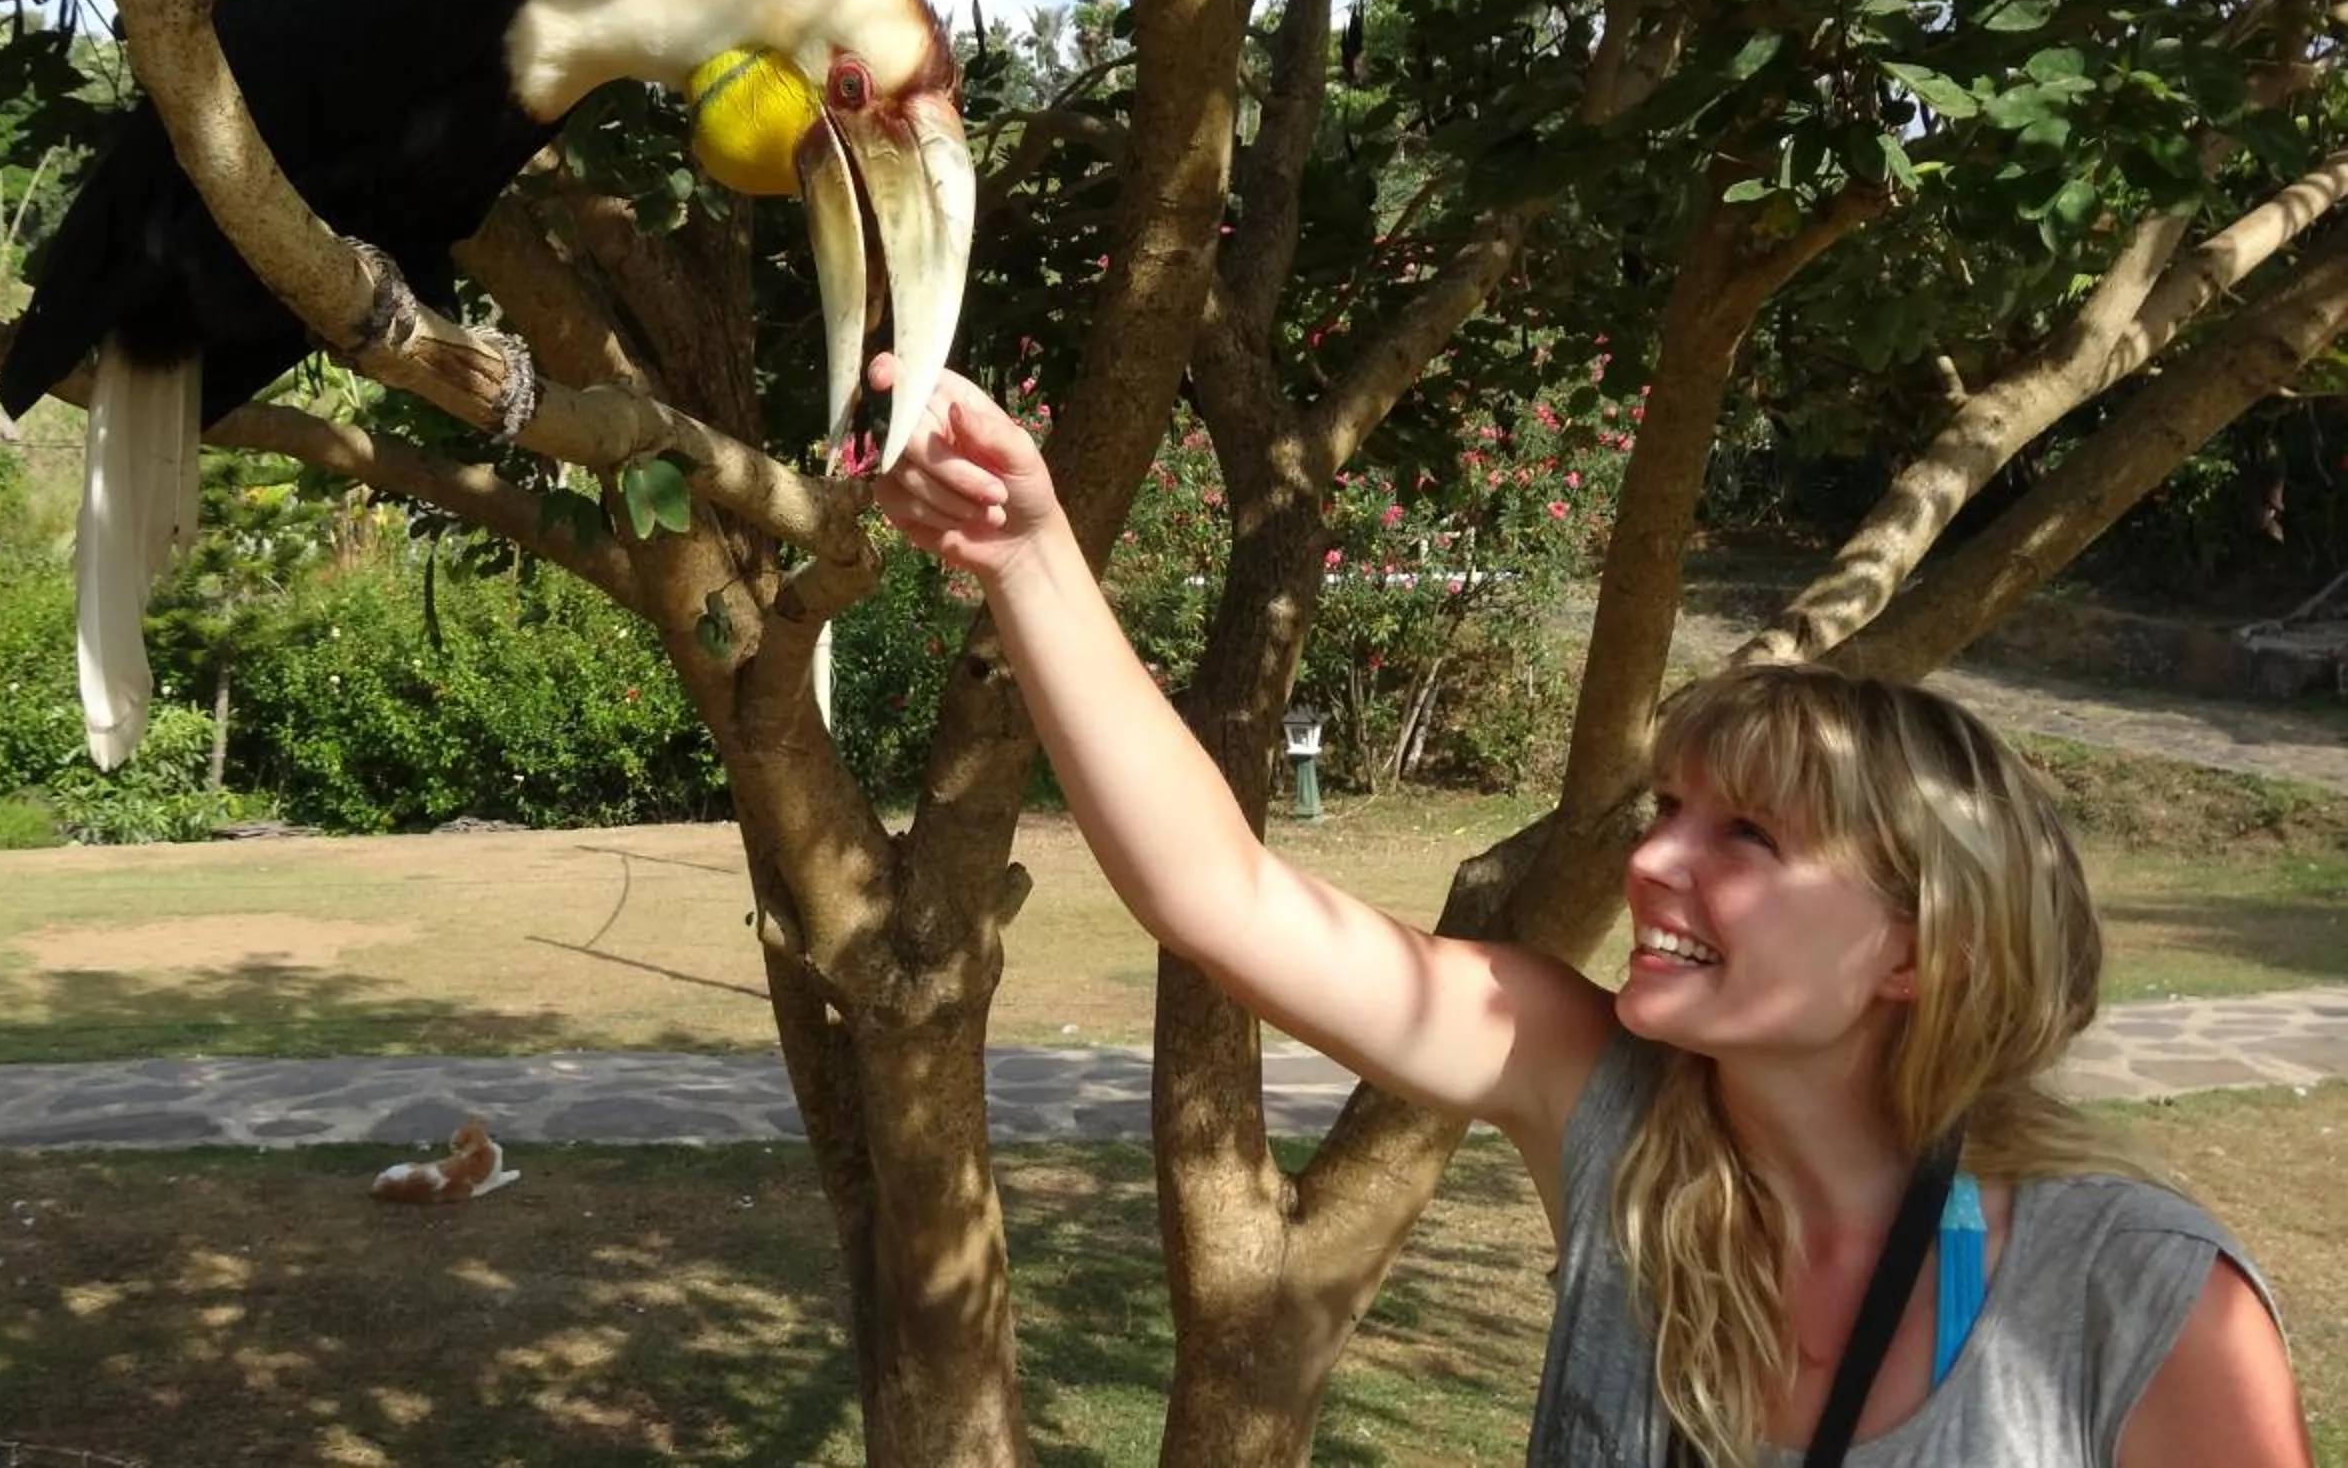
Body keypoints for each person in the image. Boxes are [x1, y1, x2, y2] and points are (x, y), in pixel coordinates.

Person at [866, 359, 2309, 1467]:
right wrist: (1030, 555)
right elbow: (1221, 896)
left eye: (1746, 835)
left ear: (1926, 948)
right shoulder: (1606, 1100)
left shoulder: (2143, 1301)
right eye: (1667, 810)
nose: (1655, 862)